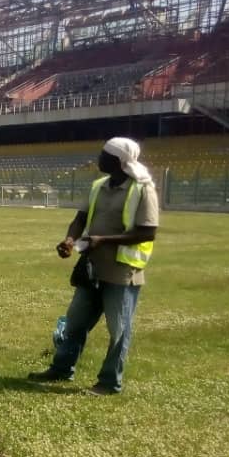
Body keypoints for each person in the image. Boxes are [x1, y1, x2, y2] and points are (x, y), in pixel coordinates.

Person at [29, 137, 160, 395]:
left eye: (104, 155)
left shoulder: (143, 190)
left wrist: (102, 240)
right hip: (92, 267)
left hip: (122, 271)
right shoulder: (99, 186)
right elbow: (80, 218)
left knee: (118, 330)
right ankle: (61, 368)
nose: (99, 159)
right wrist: (70, 239)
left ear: (119, 161)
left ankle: (109, 383)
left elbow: (147, 232)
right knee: (76, 321)